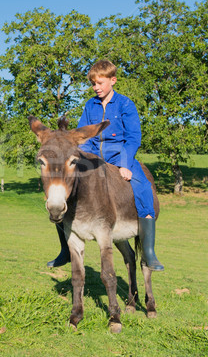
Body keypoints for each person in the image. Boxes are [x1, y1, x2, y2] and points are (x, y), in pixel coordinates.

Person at [47, 59, 163, 271]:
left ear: (113, 80)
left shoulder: (125, 104)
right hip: (91, 154)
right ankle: (65, 249)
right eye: (93, 84)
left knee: (143, 188)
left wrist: (126, 164)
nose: (96, 88)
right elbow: (84, 134)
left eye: (100, 83)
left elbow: (133, 137)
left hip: (120, 154)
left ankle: (149, 252)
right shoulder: (90, 105)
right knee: (61, 191)